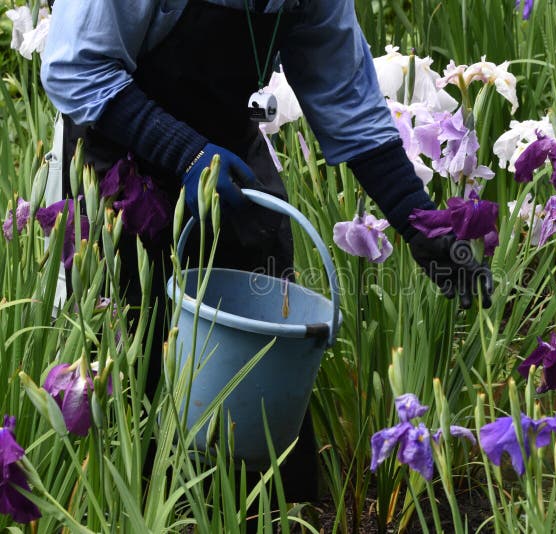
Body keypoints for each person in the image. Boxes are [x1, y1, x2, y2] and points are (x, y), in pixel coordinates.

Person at [41, 0, 493, 504]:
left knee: (260, 362)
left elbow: (349, 104)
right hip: (120, 152)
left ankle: (263, 508)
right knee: (134, 358)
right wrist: (184, 152)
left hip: (229, 156)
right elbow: (74, 67)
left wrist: (420, 224)